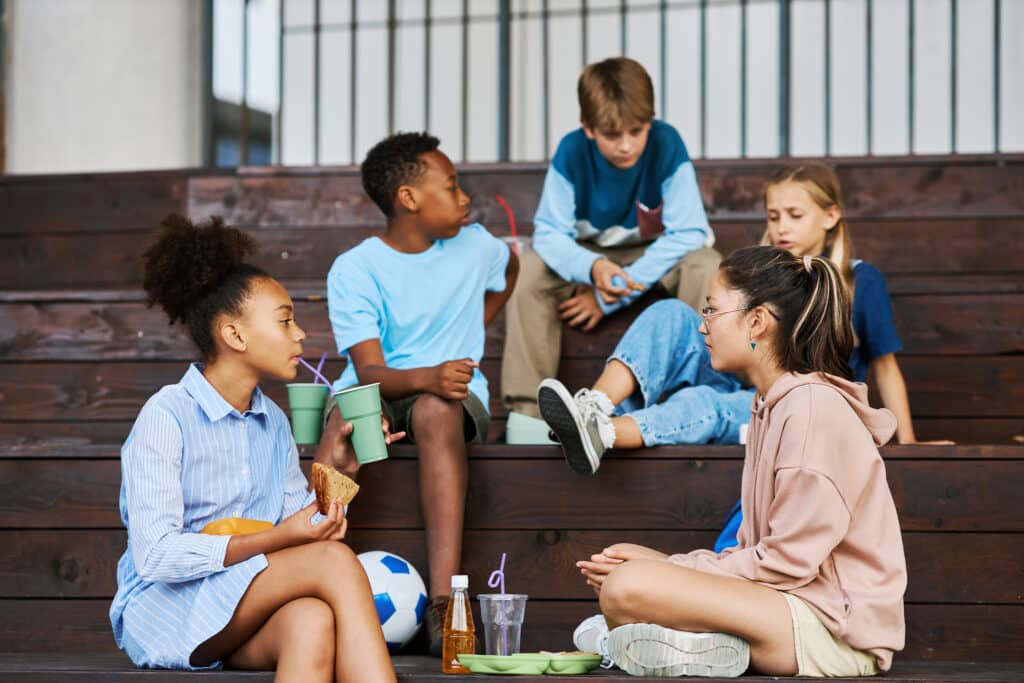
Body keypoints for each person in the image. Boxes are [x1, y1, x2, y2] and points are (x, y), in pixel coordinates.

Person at [572, 246, 907, 678]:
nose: (702, 325)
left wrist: (668, 569)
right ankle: (700, 646)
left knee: (628, 585)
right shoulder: (771, 404)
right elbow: (757, 554)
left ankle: (665, 638)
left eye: (712, 310)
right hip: (788, 606)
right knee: (629, 561)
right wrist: (660, 562)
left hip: (833, 632)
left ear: (757, 321)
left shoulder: (810, 409)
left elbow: (786, 564)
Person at [109, 215, 399, 682]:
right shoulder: (167, 415)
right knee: (333, 561)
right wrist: (275, 540)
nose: (300, 334)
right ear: (235, 335)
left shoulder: (273, 422)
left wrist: (340, 468)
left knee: (311, 620)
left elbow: (306, 525)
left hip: (238, 604)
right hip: (168, 610)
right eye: (285, 321)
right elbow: (156, 556)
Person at [539, 163, 951, 478]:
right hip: (739, 382)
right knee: (669, 314)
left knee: (703, 404)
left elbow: (885, 366)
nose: (781, 226)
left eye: (794, 214)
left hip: (793, 407)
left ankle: (605, 434)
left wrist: (908, 444)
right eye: (773, 216)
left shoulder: (860, 280)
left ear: (830, 216)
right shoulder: (761, 271)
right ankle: (591, 408)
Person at [323, 131, 518, 656]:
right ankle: (311, 566)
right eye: (450, 187)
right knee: (346, 411)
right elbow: (367, 369)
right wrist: (428, 372)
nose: (464, 199)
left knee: (436, 410)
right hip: (380, 385)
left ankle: (444, 605)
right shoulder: (356, 268)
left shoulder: (476, 246)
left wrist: (473, 329)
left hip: (449, 396)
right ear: (408, 199)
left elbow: (510, 269)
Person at [501, 56, 720, 444]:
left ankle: (690, 399)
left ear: (650, 122)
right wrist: (593, 268)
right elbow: (549, 235)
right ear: (588, 128)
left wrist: (609, 296)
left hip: (655, 255)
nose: (626, 145)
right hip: (590, 256)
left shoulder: (666, 144)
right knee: (530, 270)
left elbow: (689, 233)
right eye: (611, 134)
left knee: (705, 266)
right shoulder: (571, 151)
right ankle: (528, 414)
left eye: (637, 131)